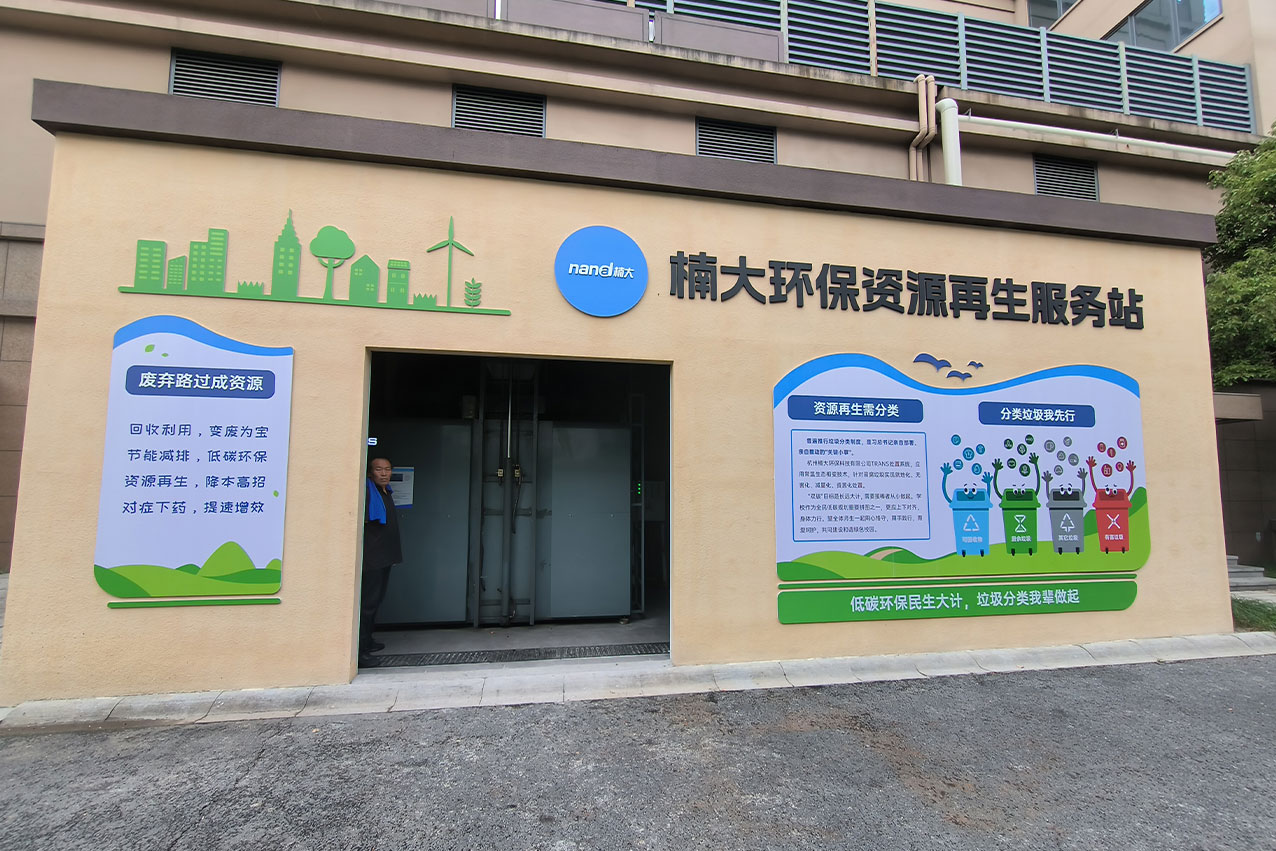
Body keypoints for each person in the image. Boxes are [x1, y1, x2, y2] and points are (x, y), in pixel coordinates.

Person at [359, 456, 402, 668]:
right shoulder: (368, 492)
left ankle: (368, 640)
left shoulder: (386, 492)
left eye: (387, 469)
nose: (384, 473)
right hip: (372, 558)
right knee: (367, 604)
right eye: (378, 469)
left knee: (376, 601)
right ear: (370, 472)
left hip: (385, 556)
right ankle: (360, 651)